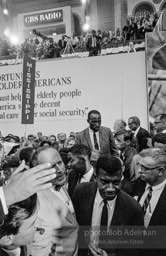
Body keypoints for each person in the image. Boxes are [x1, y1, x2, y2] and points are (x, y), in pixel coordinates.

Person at [72, 155, 144, 256]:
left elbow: (136, 248)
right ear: (95, 177)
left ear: (121, 177)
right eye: (104, 182)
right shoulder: (81, 192)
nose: (110, 188)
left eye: (116, 182)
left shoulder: (133, 208)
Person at [27, 146, 78, 256]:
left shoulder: (62, 185)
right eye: (51, 167)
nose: (59, 170)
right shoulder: (35, 201)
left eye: (60, 162)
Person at [132, 148, 166, 255]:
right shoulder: (140, 182)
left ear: (160, 171)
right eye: (139, 166)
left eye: (144, 168)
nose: (139, 171)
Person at [114, 129, 137, 194]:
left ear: (128, 142)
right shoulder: (123, 152)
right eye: (115, 140)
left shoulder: (132, 157)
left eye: (118, 141)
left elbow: (132, 179)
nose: (115, 142)